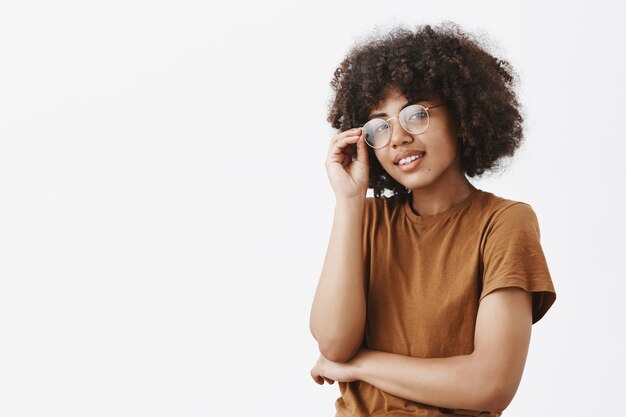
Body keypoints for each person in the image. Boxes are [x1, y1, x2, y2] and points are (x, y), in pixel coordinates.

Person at [309, 21, 557, 417]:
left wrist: (359, 366)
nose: (397, 138)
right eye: (379, 125)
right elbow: (333, 345)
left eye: (415, 114)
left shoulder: (504, 223)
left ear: (461, 114)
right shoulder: (366, 219)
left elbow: (488, 385)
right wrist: (349, 200)